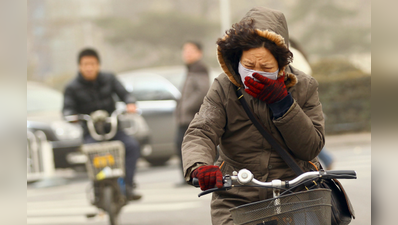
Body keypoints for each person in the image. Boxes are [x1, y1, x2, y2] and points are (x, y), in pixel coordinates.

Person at [181, 7, 325, 224]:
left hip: (295, 192)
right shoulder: (224, 87)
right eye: (248, 65)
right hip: (237, 196)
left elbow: (311, 147)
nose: (256, 72)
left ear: (281, 65)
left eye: (266, 66)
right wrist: (199, 166)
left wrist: (284, 104)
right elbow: (201, 130)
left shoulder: (305, 86)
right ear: (237, 59)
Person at [63, 48, 142, 201]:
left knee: (131, 146)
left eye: (92, 64)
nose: (89, 67)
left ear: (98, 65)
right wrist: (70, 116)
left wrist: (130, 103)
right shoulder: (72, 87)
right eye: (85, 64)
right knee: (91, 154)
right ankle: (98, 191)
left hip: (113, 129)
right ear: (79, 66)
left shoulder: (109, 78)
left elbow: (125, 94)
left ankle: (128, 185)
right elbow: (67, 108)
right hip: (91, 132)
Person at [175, 41, 210, 186]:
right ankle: (189, 177)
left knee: (187, 146)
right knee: (181, 146)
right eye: (185, 50)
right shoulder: (191, 69)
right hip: (185, 117)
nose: (187, 53)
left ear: (199, 53)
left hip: (192, 117)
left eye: (191, 50)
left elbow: (202, 91)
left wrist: (187, 107)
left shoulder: (199, 69)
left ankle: (193, 177)